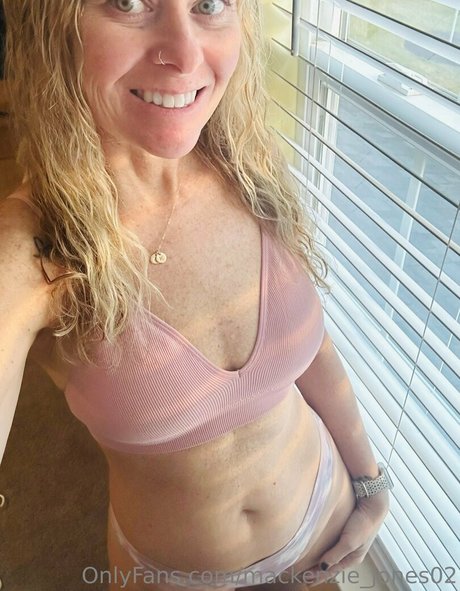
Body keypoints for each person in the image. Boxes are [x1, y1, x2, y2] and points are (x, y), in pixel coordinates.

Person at [0, 1, 392, 590]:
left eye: (209, 4)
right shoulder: (36, 247)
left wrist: (368, 481)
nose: (186, 56)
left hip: (323, 518)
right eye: (128, 2)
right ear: (50, 26)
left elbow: (310, 347)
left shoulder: (246, 164)